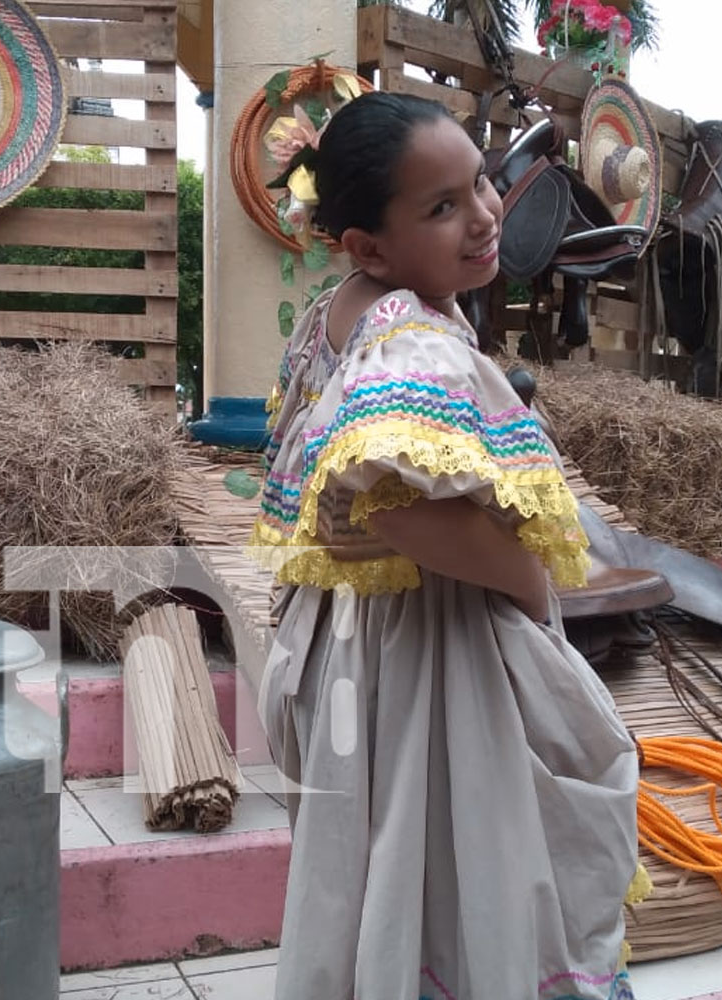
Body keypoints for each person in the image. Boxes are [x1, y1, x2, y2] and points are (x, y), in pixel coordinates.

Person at [250, 90, 645, 1000]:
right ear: (368, 245)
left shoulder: (339, 312)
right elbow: (384, 502)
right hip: (432, 647)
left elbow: (342, 500)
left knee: (393, 868)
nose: (483, 218)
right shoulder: (409, 333)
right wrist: (528, 583)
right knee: (479, 867)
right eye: (442, 207)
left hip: (359, 643)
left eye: (479, 184)